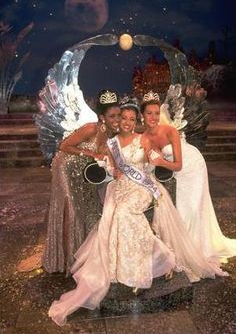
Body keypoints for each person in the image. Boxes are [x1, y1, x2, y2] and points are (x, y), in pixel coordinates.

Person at [48, 97, 228, 327]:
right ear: (119, 120)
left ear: (136, 122)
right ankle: (159, 257)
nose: (127, 122)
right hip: (120, 187)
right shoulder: (111, 143)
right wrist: (112, 169)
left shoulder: (143, 140)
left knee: (124, 212)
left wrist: (155, 160)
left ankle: (143, 267)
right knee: (116, 212)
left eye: (132, 119)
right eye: (124, 118)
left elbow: (154, 165)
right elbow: (113, 168)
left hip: (143, 187)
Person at [17, 89, 121, 275]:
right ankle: (65, 259)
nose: (116, 119)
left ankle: (81, 255)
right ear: (102, 117)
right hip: (66, 167)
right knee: (71, 209)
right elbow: (63, 146)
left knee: (87, 209)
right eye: (112, 115)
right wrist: (91, 153)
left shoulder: (113, 135)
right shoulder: (91, 128)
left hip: (84, 173)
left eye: (118, 115)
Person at [141, 91, 236, 263]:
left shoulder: (170, 131)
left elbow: (178, 164)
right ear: (143, 115)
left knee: (190, 209)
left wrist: (160, 161)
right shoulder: (144, 138)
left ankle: (194, 249)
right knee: (180, 209)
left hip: (192, 166)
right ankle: (184, 247)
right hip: (175, 172)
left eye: (156, 113)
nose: (153, 117)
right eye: (149, 113)